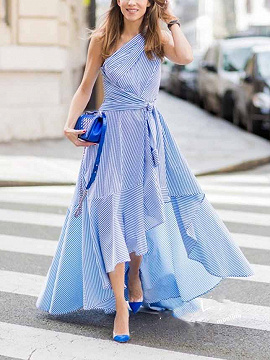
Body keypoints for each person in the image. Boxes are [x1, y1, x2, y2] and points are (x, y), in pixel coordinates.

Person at [35, 0, 254, 344]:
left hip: (146, 135)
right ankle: (121, 306)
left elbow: (185, 57)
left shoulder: (157, 37)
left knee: (137, 211)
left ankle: (135, 276)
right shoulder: (103, 39)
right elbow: (85, 87)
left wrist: (171, 19)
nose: (131, 2)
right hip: (109, 137)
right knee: (108, 212)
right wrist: (68, 124)